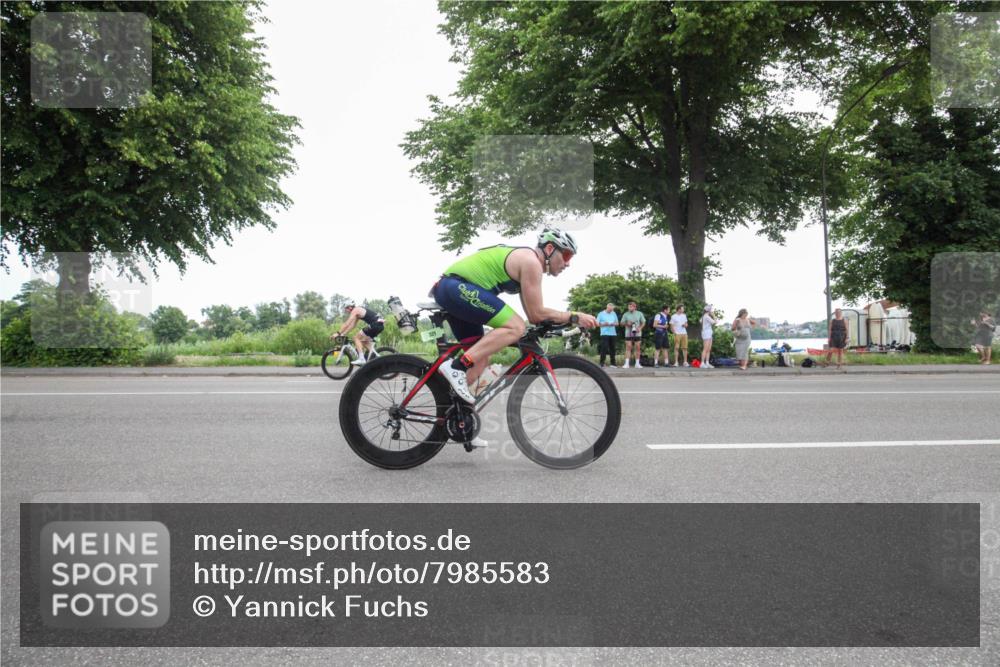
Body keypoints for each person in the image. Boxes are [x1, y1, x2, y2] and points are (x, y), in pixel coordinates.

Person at [430, 228, 597, 403]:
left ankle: (450, 410)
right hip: (456, 287)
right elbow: (537, 312)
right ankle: (457, 366)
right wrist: (574, 316)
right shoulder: (531, 262)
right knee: (516, 327)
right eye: (567, 255)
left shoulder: (527, 262)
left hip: (453, 291)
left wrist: (559, 322)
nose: (568, 264)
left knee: (480, 360)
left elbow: (534, 316)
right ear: (549, 249)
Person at [333, 300, 384, 366]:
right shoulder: (357, 313)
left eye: (346, 308)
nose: (346, 311)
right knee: (363, 341)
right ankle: (377, 356)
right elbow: (352, 326)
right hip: (378, 325)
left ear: (350, 307)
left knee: (356, 338)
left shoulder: (355, 310)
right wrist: (343, 334)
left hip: (375, 325)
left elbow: (347, 323)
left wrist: (338, 333)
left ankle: (361, 359)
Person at [620, 301, 645, 368]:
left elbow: (643, 322)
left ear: (635, 307)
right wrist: (627, 323)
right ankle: (626, 364)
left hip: (637, 333)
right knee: (628, 347)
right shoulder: (625, 314)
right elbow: (621, 323)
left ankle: (637, 364)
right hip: (628, 333)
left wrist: (640, 328)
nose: (629, 308)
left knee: (638, 347)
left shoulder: (639, 313)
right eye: (629, 306)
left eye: (631, 306)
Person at [596, 302, 619, 367]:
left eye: (612, 309)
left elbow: (617, 323)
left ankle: (613, 363)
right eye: (610, 309)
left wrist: (613, 324)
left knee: (613, 349)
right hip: (604, 333)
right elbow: (597, 324)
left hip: (613, 333)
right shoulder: (601, 314)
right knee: (604, 348)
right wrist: (604, 324)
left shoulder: (614, 313)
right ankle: (602, 363)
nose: (611, 311)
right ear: (607, 307)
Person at [700, 305, 716, 369]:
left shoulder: (704, 316)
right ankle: (702, 363)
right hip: (706, 333)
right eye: (710, 310)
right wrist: (714, 316)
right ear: (708, 311)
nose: (711, 311)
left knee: (709, 349)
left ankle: (707, 362)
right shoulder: (706, 316)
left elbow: (700, 321)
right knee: (705, 349)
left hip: (708, 333)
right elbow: (714, 322)